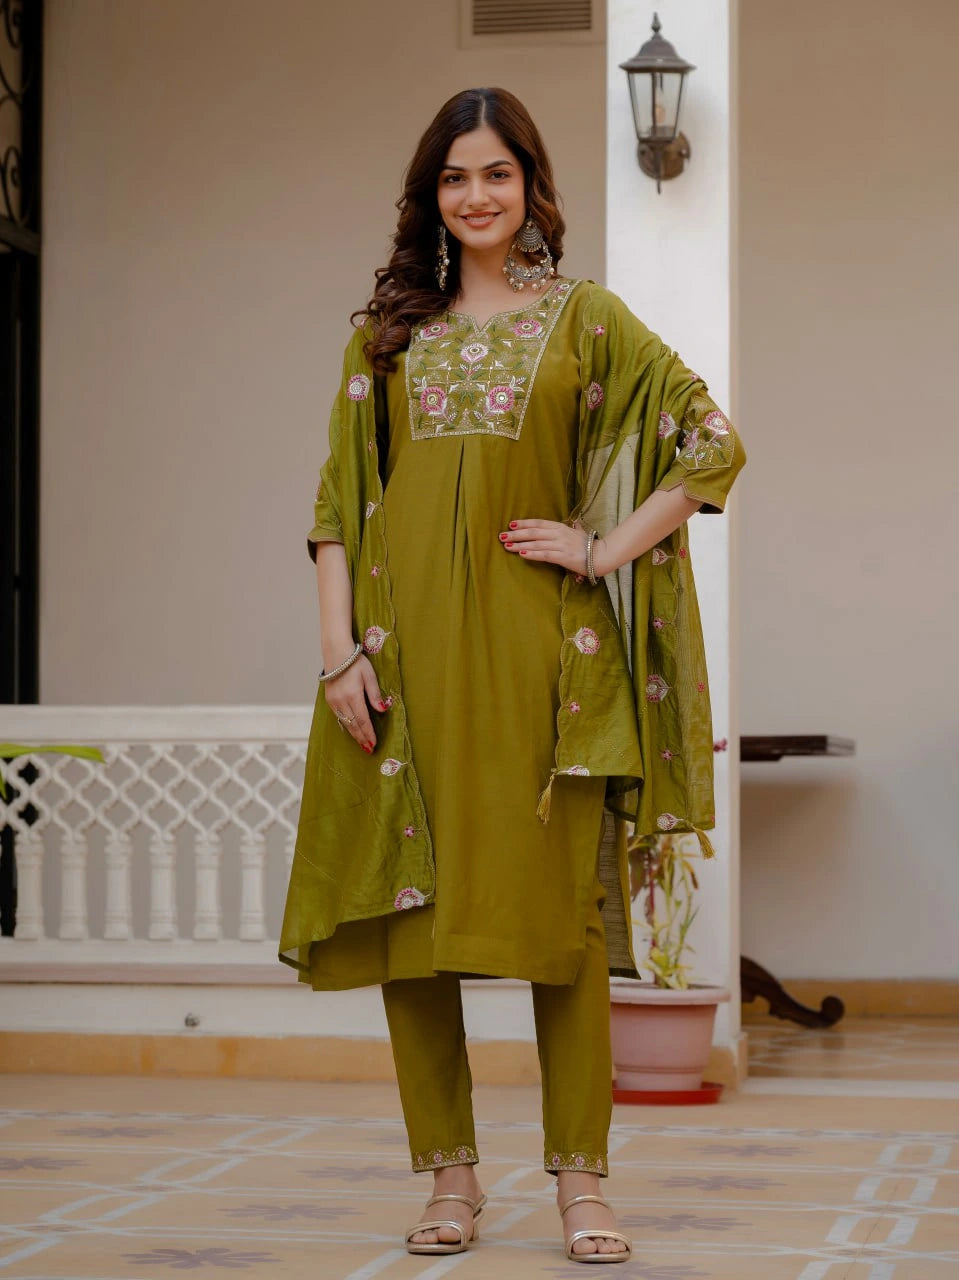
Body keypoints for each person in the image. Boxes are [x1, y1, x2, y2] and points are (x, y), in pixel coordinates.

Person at [279, 87, 746, 1262]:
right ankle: (449, 1178)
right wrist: (337, 654)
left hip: (549, 670)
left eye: (494, 173)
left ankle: (581, 1184)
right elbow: (339, 507)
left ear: (531, 185)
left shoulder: (587, 321)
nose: (475, 196)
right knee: (407, 921)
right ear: (429, 197)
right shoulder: (386, 337)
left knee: (562, 930)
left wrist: (600, 547)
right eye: (453, 177)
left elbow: (711, 439)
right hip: (401, 667)